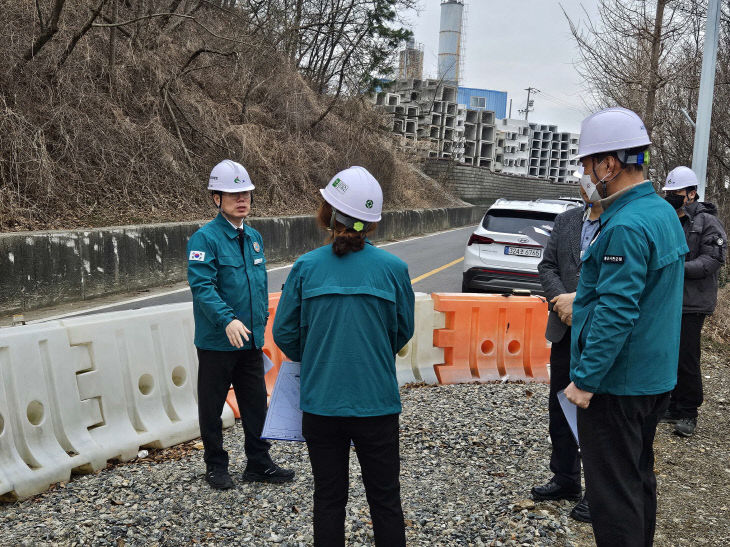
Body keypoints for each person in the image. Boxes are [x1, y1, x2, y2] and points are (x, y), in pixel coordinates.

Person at [564, 107, 688, 546]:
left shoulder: (626, 226)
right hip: (654, 380)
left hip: (618, 385)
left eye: (586, 164)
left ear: (608, 164)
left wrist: (585, 379)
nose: (584, 173)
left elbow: (618, 311)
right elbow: (645, 294)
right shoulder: (661, 213)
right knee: (637, 481)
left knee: (612, 497)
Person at [273, 166, 415, 547]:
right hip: (377, 404)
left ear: (328, 213)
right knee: (385, 500)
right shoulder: (395, 270)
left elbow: (284, 332)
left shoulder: (305, 267)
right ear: (371, 224)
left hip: (322, 403)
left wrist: (321, 354)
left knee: (329, 499)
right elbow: (402, 330)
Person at [187, 159, 294, 490]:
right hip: (218, 342)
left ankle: (259, 463)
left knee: (255, 403)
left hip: (249, 341)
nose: (242, 199)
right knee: (212, 406)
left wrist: (258, 326)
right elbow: (202, 287)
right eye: (233, 194)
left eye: (246, 193)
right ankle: (216, 466)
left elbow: (259, 289)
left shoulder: (255, 238)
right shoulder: (205, 239)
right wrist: (227, 319)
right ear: (216, 199)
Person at [534, 176, 603, 524]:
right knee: (559, 409)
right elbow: (547, 266)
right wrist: (561, 301)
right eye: (583, 177)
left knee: (595, 414)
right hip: (563, 330)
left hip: (599, 332)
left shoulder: (619, 224)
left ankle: (598, 492)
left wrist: (581, 305)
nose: (586, 183)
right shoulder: (566, 220)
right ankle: (565, 478)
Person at [660, 166, 727, 437]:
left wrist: (677, 267)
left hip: (692, 302)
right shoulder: (667, 218)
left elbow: (713, 260)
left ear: (691, 193)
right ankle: (672, 406)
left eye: (676, 192)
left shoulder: (708, 223)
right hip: (666, 300)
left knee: (686, 357)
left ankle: (688, 411)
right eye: (668, 192)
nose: (671, 196)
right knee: (667, 355)